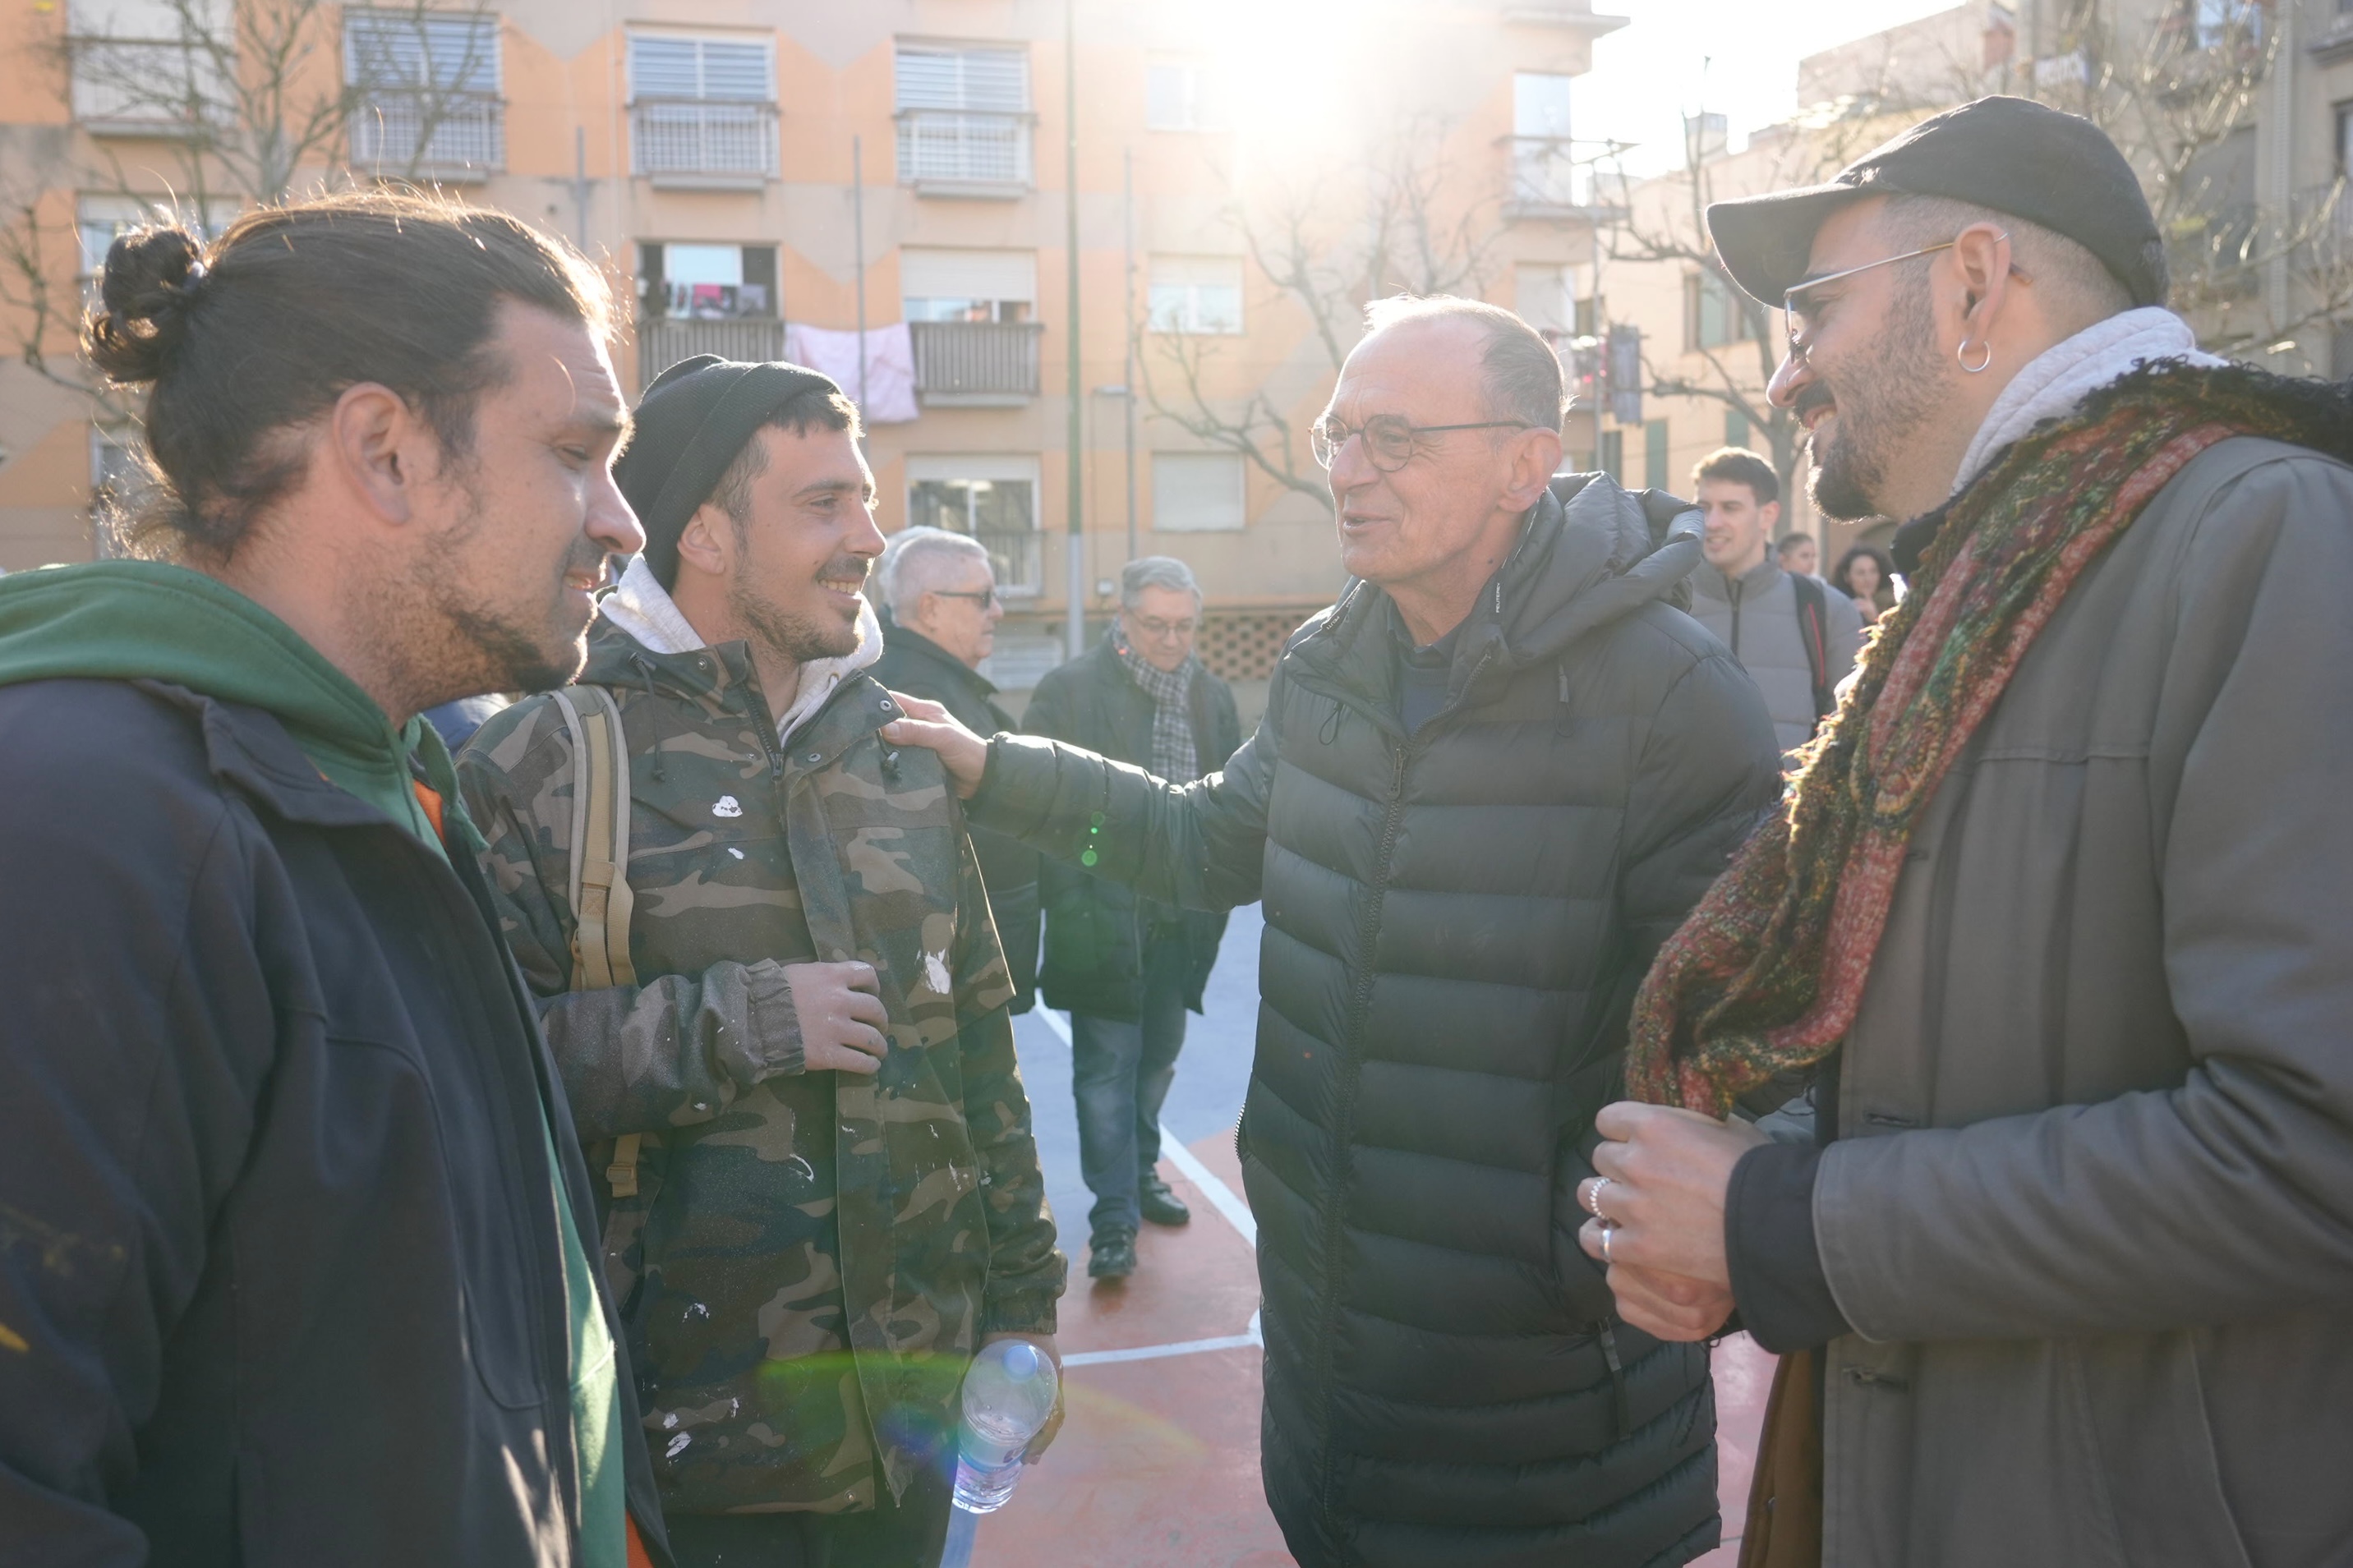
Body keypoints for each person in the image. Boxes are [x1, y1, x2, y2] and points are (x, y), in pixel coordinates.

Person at [1577, 94, 2353, 1567]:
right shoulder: (1980, 585)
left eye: (1809, 307)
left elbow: (2309, 1148)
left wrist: (1785, 1223)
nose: (1784, 368)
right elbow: (1987, 1057)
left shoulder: (2268, 538)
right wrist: (1766, 1180)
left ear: (1975, 281)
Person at [886, 295, 1782, 1566]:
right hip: (1329, 1355)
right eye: (1336, 436)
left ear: (1528, 460)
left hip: (1536, 1404)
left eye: (1395, 439)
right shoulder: (1326, 665)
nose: (1349, 473)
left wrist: (1612, 1268)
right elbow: (1201, 845)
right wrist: (1007, 775)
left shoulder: (1671, 702)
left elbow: (1755, 1047)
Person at [0, 193, 670, 1565]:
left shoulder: (383, 777)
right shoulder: (85, 820)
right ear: (383, 451)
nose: (625, 524)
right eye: (576, 452)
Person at [456, 356, 1064, 1568]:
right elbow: (468, 1083)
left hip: (910, 1421)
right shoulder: (548, 763)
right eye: (825, 505)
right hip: (679, 1451)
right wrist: (732, 1025)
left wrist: (1023, 1311)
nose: (869, 539)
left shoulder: (898, 754)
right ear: (708, 536)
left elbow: (982, 1052)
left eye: (868, 501)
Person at [1021, 555, 1241, 1281]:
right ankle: (1113, 1218)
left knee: (1155, 1064)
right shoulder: (1070, 690)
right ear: (1123, 619)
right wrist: (1095, 868)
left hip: (1180, 922)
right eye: (1155, 625)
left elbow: (1227, 808)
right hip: (1101, 919)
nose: (1171, 640)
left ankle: (1141, 1174)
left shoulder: (1209, 697)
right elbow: (1042, 807)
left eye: (1184, 626)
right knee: (1104, 1073)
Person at [869, 526, 1041, 1014]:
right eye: (983, 598)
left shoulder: (938, 683)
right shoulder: (916, 695)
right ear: (930, 608)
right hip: (952, 980)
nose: (998, 611)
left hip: (966, 966)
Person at [1689, 448, 1862, 755]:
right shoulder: (1665, 603)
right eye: (1703, 507)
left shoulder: (1825, 610)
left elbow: (1853, 729)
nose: (1712, 522)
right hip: (1681, 802)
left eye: (1730, 508)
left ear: (1768, 514)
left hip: (1790, 801)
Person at [1830, 542, 1895, 624]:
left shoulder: (1892, 606)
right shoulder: (1836, 607)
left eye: (1873, 571)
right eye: (1861, 573)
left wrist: (1875, 619)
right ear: (1847, 577)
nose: (1868, 579)